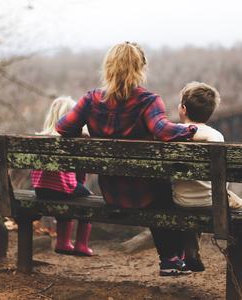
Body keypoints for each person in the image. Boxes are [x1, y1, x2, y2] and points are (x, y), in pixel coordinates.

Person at [56, 42, 197, 276]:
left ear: (108, 67)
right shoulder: (148, 101)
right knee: (166, 191)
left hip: (111, 193)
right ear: (141, 68)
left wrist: (83, 134)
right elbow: (163, 130)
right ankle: (172, 258)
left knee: (159, 189)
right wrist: (191, 129)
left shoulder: (91, 100)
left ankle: (174, 259)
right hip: (146, 195)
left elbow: (63, 127)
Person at [172, 81, 242, 281]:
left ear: (183, 109)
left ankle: (191, 252)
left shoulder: (173, 133)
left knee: (192, 207)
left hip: (181, 200)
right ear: (209, 113)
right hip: (213, 201)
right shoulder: (216, 136)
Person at [31, 96, 94, 256]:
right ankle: (81, 245)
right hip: (63, 189)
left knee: (66, 194)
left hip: (40, 190)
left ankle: (63, 242)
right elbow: (80, 172)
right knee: (88, 199)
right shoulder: (71, 140)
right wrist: (80, 184)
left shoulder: (40, 138)